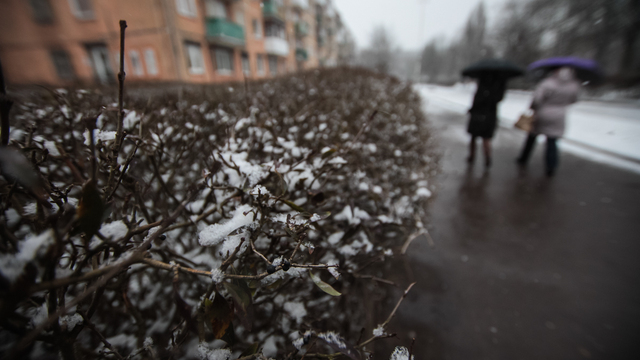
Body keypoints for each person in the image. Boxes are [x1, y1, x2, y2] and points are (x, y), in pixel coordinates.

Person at [516, 67, 580, 176]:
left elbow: (537, 99)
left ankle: (523, 158)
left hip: (542, 113)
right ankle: (551, 166)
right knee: (552, 140)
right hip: (560, 115)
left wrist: (533, 107)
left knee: (532, 135)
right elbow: (574, 100)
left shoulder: (548, 83)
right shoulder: (573, 85)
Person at [466, 75, 507, 168]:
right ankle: (487, 157)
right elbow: (499, 98)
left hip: (478, 115)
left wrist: (472, 109)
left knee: (474, 137)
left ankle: (472, 156)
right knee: (486, 138)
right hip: (490, 116)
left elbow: (477, 100)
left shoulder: (483, 85)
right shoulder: (499, 85)